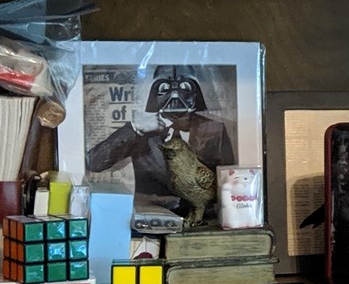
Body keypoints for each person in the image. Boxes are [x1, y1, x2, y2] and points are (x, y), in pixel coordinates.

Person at [84, 69, 237, 214]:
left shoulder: (214, 130)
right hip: (152, 214)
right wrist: (134, 128)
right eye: (164, 88)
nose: (175, 96)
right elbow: (94, 162)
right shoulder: (141, 132)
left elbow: (230, 179)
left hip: (202, 215)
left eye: (185, 88)